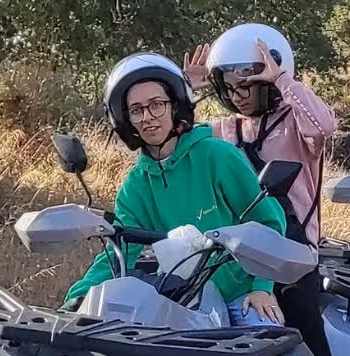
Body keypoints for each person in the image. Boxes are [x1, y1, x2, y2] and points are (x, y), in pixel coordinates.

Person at [187, 23, 348, 356]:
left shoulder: (297, 127)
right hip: (233, 254)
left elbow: (325, 125)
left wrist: (284, 80)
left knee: (306, 326)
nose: (239, 96)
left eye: (249, 85)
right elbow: (181, 150)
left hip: (292, 250)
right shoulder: (222, 130)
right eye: (230, 87)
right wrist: (189, 93)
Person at [63, 53, 289, 333]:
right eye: (136, 110)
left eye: (156, 105)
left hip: (239, 294)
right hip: (181, 296)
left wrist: (262, 287)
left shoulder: (217, 156)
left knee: (268, 340)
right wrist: (79, 297)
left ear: (175, 106)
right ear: (125, 119)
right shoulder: (137, 184)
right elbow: (120, 248)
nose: (147, 117)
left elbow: (268, 222)